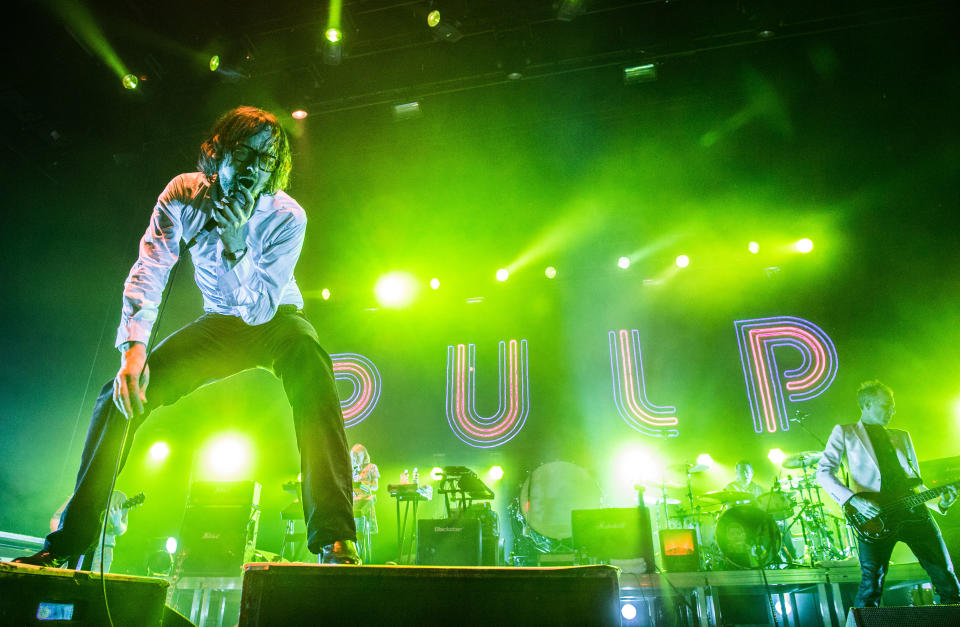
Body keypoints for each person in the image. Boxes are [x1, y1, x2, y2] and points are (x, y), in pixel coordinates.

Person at [14, 106, 359, 567]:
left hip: (274, 317)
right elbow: (150, 268)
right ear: (217, 154)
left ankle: (335, 540)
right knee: (117, 397)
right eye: (245, 154)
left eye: (267, 159)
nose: (254, 169)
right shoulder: (183, 194)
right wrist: (133, 351)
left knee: (313, 370)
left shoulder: (287, 217)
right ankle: (69, 544)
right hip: (218, 322)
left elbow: (257, 310)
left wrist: (236, 243)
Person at [817, 380, 959, 607]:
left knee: (946, 576)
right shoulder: (845, 432)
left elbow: (916, 485)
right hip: (875, 517)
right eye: (887, 406)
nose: (892, 410)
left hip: (915, 513)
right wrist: (854, 500)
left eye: (893, 406)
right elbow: (823, 473)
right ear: (868, 404)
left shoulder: (901, 436)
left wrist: (941, 502)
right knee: (872, 584)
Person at [50, 490, 129, 573]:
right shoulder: (83, 491)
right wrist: (62, 542)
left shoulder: (119, 497)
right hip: (74, 547)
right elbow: (56, 519)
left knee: (93, 584)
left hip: (102, 550)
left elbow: (121, 530)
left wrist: (117, 523)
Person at [350, 444, 379, 563]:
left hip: (365, 503)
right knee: (354, 533)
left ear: (363, 455)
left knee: (363, 534)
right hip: (353, 504)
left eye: (357, 455)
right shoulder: (352, 468)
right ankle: (355, 558)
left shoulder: (371, 467)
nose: (355, 457)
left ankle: (365, 560)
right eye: (353, 455)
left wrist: (364, 485)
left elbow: (376, 486)